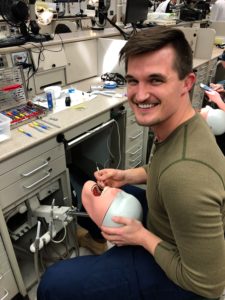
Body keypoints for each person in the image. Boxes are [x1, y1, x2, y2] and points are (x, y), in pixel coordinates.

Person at [37, 27, 225, 300]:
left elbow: (208, 285)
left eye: (155, 80)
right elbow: (161, 169)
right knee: (93, 187)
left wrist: (142, 238)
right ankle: (100, 241)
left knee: (54, 283)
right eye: (133, 81)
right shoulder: (183, 127)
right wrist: (126, 176)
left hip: (182, 275)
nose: (139, 95)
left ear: (187, 82)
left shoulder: (186, 177)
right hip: (171, 224)